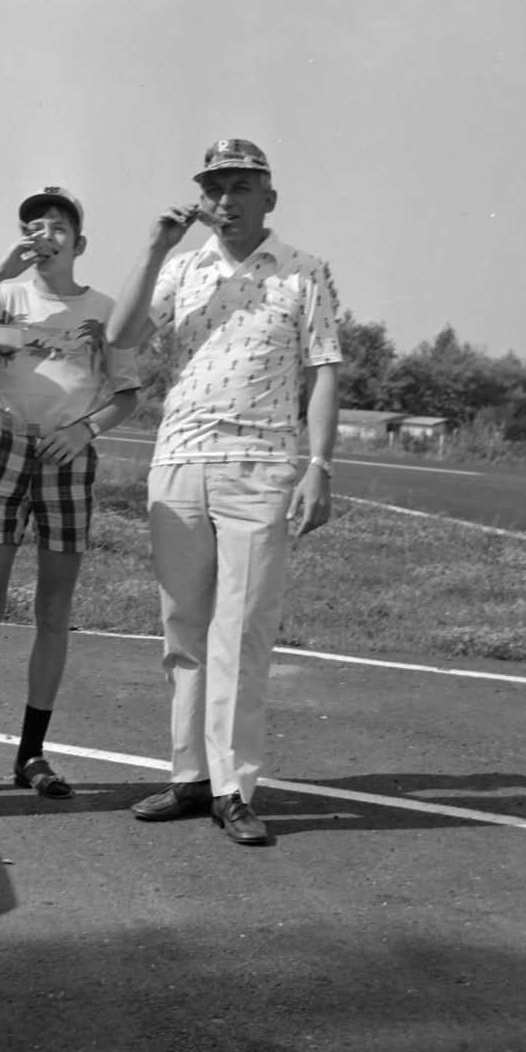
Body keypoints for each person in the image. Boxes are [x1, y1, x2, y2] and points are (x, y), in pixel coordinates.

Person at [107, 140, 341, 845]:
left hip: (260, 468)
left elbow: (323, 369)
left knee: (240, 633)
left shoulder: (304, 272)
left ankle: (234, 786)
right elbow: (121, 337)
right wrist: (154, 247)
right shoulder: (184, 269)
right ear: (201, 201)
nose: (227, 201)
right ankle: (189, 778)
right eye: (215, 188)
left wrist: (319, 464)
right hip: (178, 462)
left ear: (269, 195)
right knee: (184, 628)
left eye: (242, 186)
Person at [0, 186, 141, 801]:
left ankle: (31, 754)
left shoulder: (106, 310)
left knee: (52, 610)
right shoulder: (5, 296)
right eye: (32, 226)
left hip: (67, 456)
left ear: (79, 242)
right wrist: (0, 270)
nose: (42, 236)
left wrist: (86, 429)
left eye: (55, 227)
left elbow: (127, 392)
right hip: (6, 446)